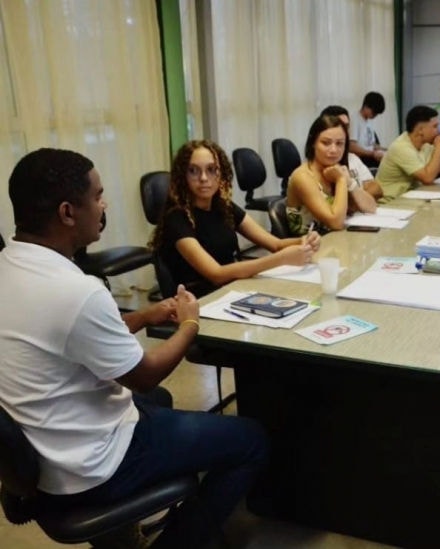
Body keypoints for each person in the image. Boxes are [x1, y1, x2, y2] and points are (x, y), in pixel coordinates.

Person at [0, 148, 268, 548]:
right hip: (91, 466)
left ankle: (122, 535)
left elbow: (69, 336)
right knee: (251, 439)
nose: (104, 205)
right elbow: (145, 375)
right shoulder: (76, 291)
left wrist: (144, 316)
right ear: (68, 213)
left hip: (41, 453)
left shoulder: (11, 266)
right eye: (98, 196)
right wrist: (190, 322)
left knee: (160, 401)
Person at [151, 140, 320, 297]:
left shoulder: (223, 206)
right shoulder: (176, 218)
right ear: (183, 176)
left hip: (231, 290)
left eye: (211, 170)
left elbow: (275, 244)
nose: (203, 178)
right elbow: (216, 274)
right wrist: (281, 259)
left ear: (221, 173)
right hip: (200, 299)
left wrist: (303, 241)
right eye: (194, 171)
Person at [286, 115, 378, 235]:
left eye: (340, 144)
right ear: (313, 143)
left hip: (339, 241)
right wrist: (340, 180)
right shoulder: (302, 176)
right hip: (312, 249)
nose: (334, 150)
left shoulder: (337, 169)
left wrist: (350, 182)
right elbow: (336, 223)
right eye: (326, 143)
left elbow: (371, 207)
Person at [375, 105, 440, 201]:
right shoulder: (401, 147)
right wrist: (438, 150)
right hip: (391, 204)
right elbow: (428, 178)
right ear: (420, 130)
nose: (439, 131)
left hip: (410, 199)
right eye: (435, 126)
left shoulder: (426, 145)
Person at [321, 104, 383, 202]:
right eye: (341, 127)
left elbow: (377, 189)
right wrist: (361, 200)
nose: (346, 132)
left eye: (347, 127)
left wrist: (356, 202)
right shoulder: (319, 165)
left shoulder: (352, 158)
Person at [349, 91, 387, 168]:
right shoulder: (354, 119)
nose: (375, 115)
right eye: (374, 112)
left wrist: (386, 149)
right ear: (366, 106)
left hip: (370, 155)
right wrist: (372, 153)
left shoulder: (369, 121)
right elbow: (352, 146)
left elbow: (371, 144)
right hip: (362, 158)